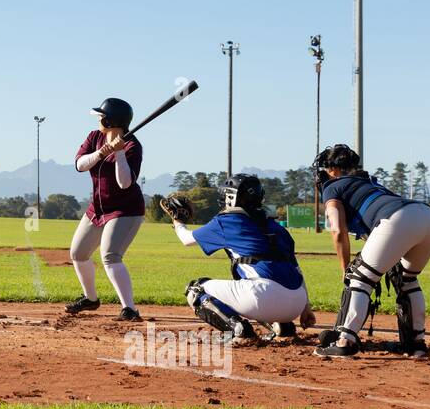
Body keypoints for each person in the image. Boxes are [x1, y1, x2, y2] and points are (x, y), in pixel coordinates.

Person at [312, 144, 430, 358]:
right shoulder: (370, 183)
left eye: (325, 170)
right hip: (428, 217)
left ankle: (345, 341)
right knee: (407, 280)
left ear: (333, 169)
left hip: (397, 218)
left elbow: (337, 229)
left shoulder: (333, 187)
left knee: (359, 278)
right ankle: (416, 344)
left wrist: (345, 268)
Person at [162, 175, 315, 341]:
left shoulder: (226, 220)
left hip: (264, 298)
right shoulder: (276, 226)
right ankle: (283, 326)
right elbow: (296, 269)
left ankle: (239, 329)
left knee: (196, 289)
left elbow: (186, 239)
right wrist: (306, 307)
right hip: (297, 302)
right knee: (254, 281)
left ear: (232, 198)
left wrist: (177, 220)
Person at [65, 98, 144, 320]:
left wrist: (118, 153)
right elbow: (80, 164)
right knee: (78, 253)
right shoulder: (94, 137)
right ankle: (91, 299)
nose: (99, 119)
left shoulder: (132, 146)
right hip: (98, 208)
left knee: (110, 255)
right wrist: (102, 152)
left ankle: (129, 309)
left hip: (125, 210)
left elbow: (125, 183)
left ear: (111, 120)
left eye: (102, 116)